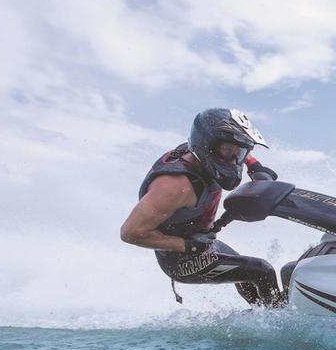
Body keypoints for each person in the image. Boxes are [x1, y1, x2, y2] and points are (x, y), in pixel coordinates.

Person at [120, 108, 282, 306]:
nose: (234, 160)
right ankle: (280, 321)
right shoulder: (174, 187)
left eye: (239, 153)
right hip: (180, 259)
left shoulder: (201, 150)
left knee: (247, 270)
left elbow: (234, 145)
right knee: (261, 271)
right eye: (229, 152)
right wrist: (186, 245)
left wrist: (254, 165)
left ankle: (261, 316)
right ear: (208, 146)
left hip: (203, 243)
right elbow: (130, 232)